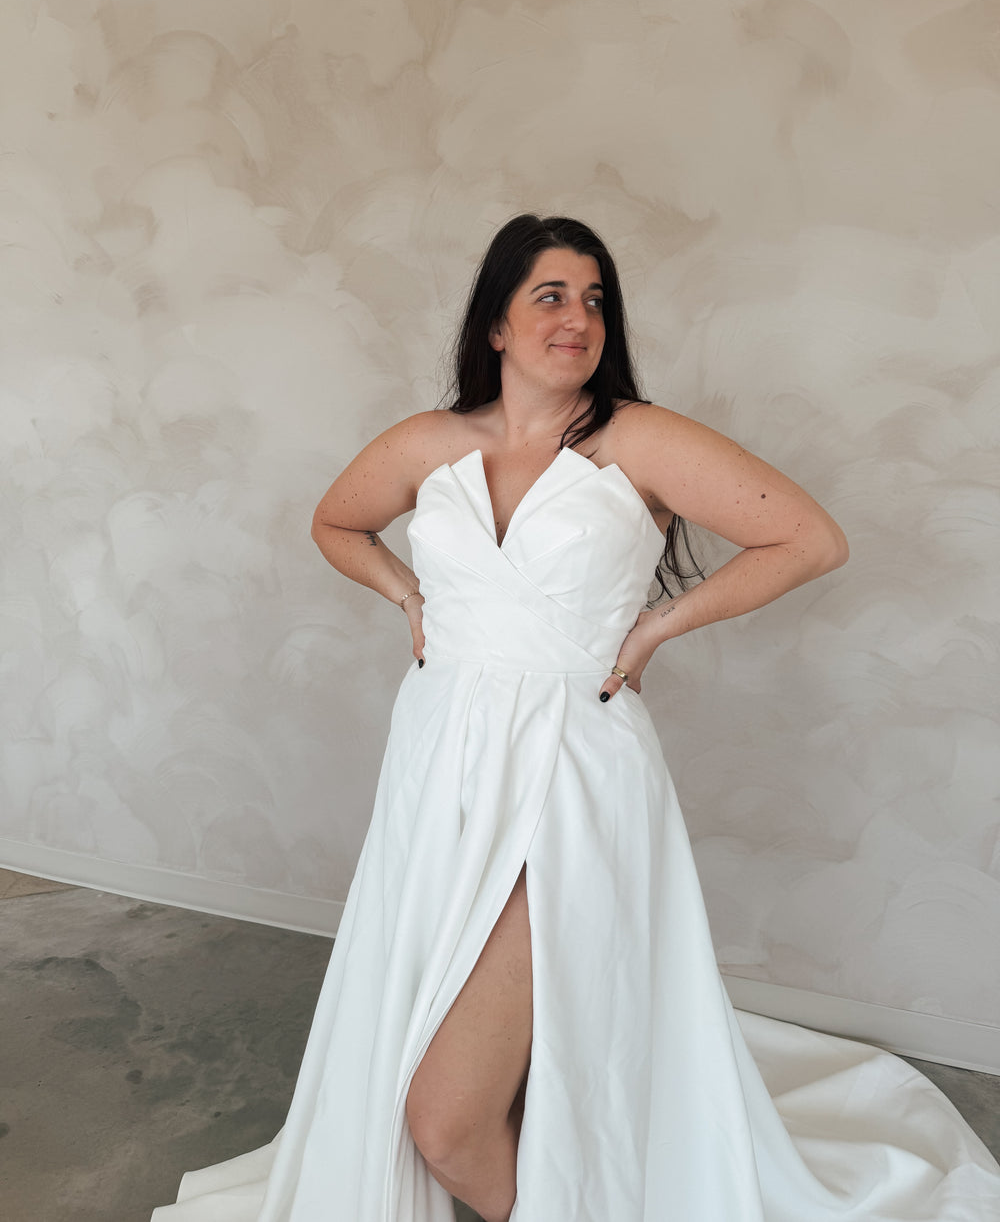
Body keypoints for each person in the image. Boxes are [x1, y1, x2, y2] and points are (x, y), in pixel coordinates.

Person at [153, 215, 1000, 1221]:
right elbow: (334, 521)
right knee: (454, 1037)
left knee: (447, 1119)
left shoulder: (635, 439)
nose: (578, 318)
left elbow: (808, 538)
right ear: (496, 324)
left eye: (595, 300)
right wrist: (406, 593)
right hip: (438, 764)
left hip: (570, 774)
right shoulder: (430, 442)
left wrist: (656, 628)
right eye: (550, 296)